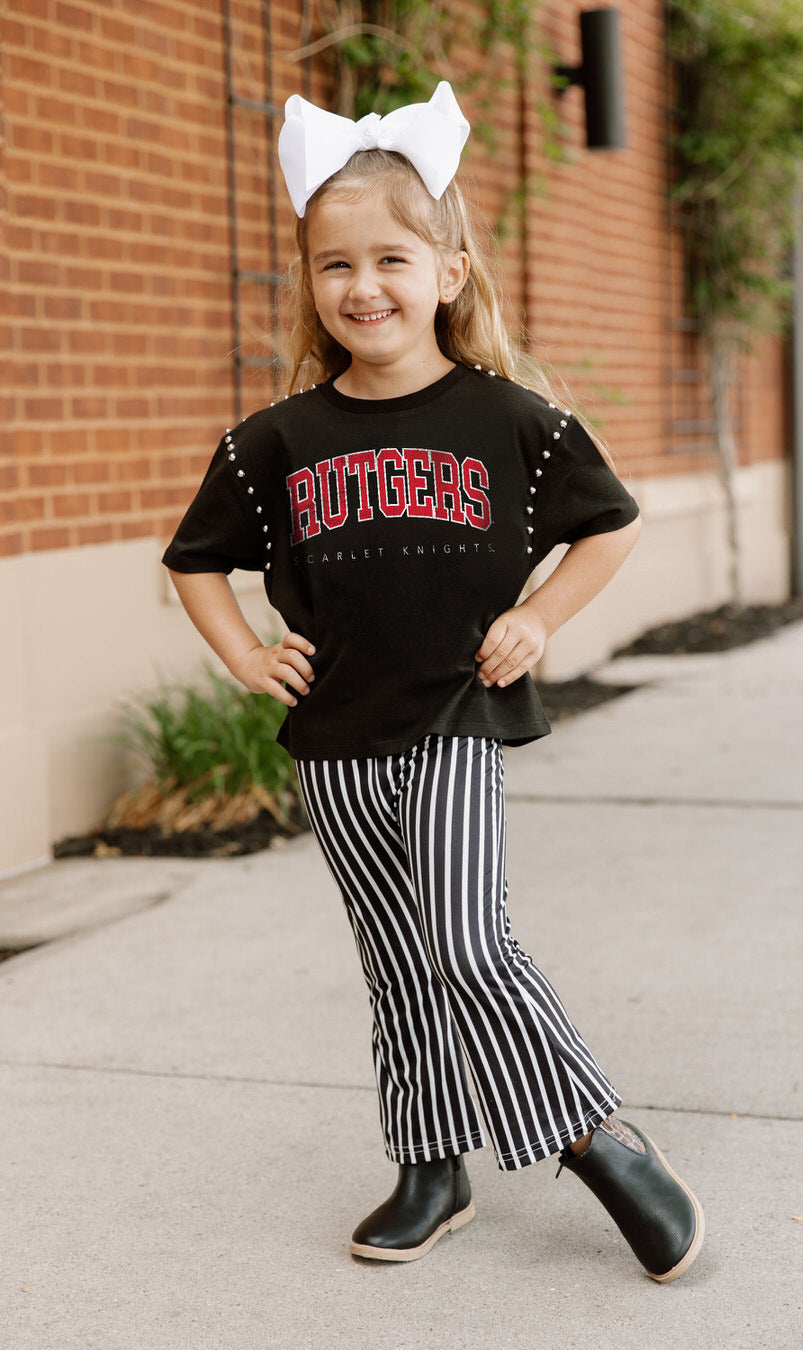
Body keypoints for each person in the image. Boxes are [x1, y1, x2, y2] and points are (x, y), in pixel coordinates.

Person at [163, 81, 704, 1282]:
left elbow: (609, 526)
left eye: (393, 259)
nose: (365, 286)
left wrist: (538, 616)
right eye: (334, 264)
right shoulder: (275, 443)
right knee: (397, 959)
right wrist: (246, 652)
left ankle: (598, 1134)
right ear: (311, 283)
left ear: (449, 272)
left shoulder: (511, 421)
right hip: (336, 733)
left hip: (456, 716)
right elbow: (194, 564)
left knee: (466, 941)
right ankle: (430, 1164)